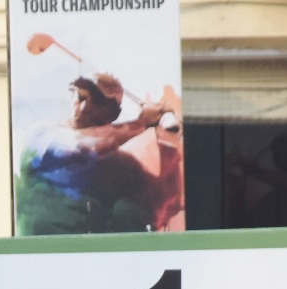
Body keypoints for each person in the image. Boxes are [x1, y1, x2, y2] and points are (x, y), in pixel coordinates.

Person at [17, 74, 180, 234]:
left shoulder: (118, 162)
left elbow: (163, 198)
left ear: (112, 113)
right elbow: (84, 147)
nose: (83, 107)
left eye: (98, 102)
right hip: (37, 247)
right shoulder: (43, 132)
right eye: (81, 97)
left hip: (84, 248)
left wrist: (168, 142)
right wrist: (142, 122)